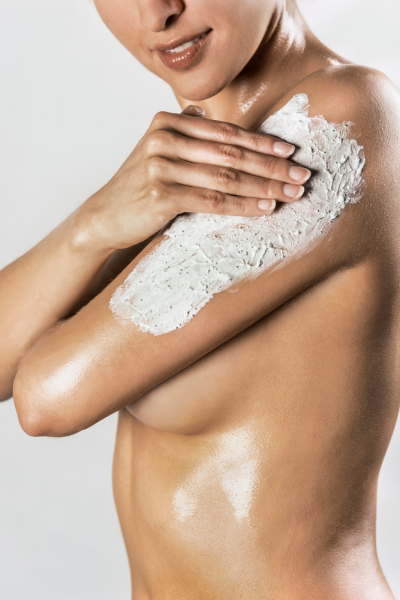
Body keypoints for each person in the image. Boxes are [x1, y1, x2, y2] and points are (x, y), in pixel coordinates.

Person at [1, 0, 399, 597]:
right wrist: (92, 223)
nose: (157, 12)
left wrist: (100, 227)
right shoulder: (194, 159)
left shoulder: (345, 120)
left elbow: (46, 397)